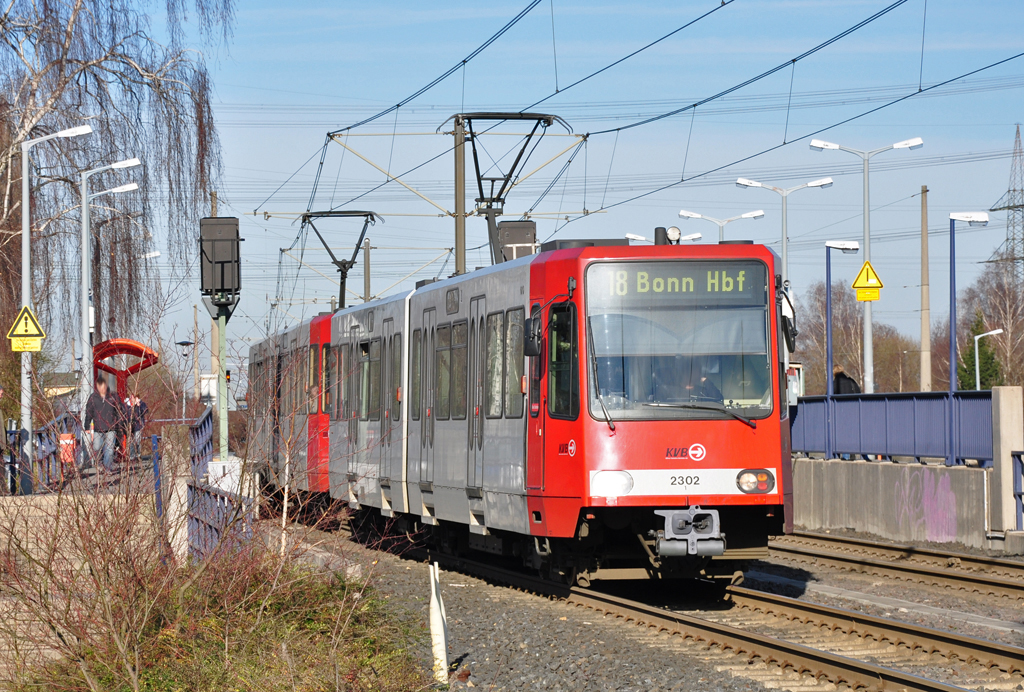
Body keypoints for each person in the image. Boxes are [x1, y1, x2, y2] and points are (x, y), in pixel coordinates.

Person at [83, 376, 121, 473]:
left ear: (106, 386)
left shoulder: (113, 396)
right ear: (97, 387)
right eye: (100, 387)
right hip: (98, 427)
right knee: (96, 447)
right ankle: (99, 462)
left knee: (109, 449)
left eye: (103, 387)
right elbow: (89, 412)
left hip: (111, 427)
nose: (102, 389)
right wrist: (87, 426)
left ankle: (107, 468)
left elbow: (119, 411)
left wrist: (119, 424)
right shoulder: (93, 398)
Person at [125, 394, 149, 460]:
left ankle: (138, 454)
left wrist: (139, 406)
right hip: (130, 426)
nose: (131, 399)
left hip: (139, 425)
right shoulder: (127, 405)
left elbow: (145, 411)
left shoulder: (141, 404)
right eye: (131, 397)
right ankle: (132, 456)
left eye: (133, 397)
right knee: (131, 441)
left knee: (137, 440)